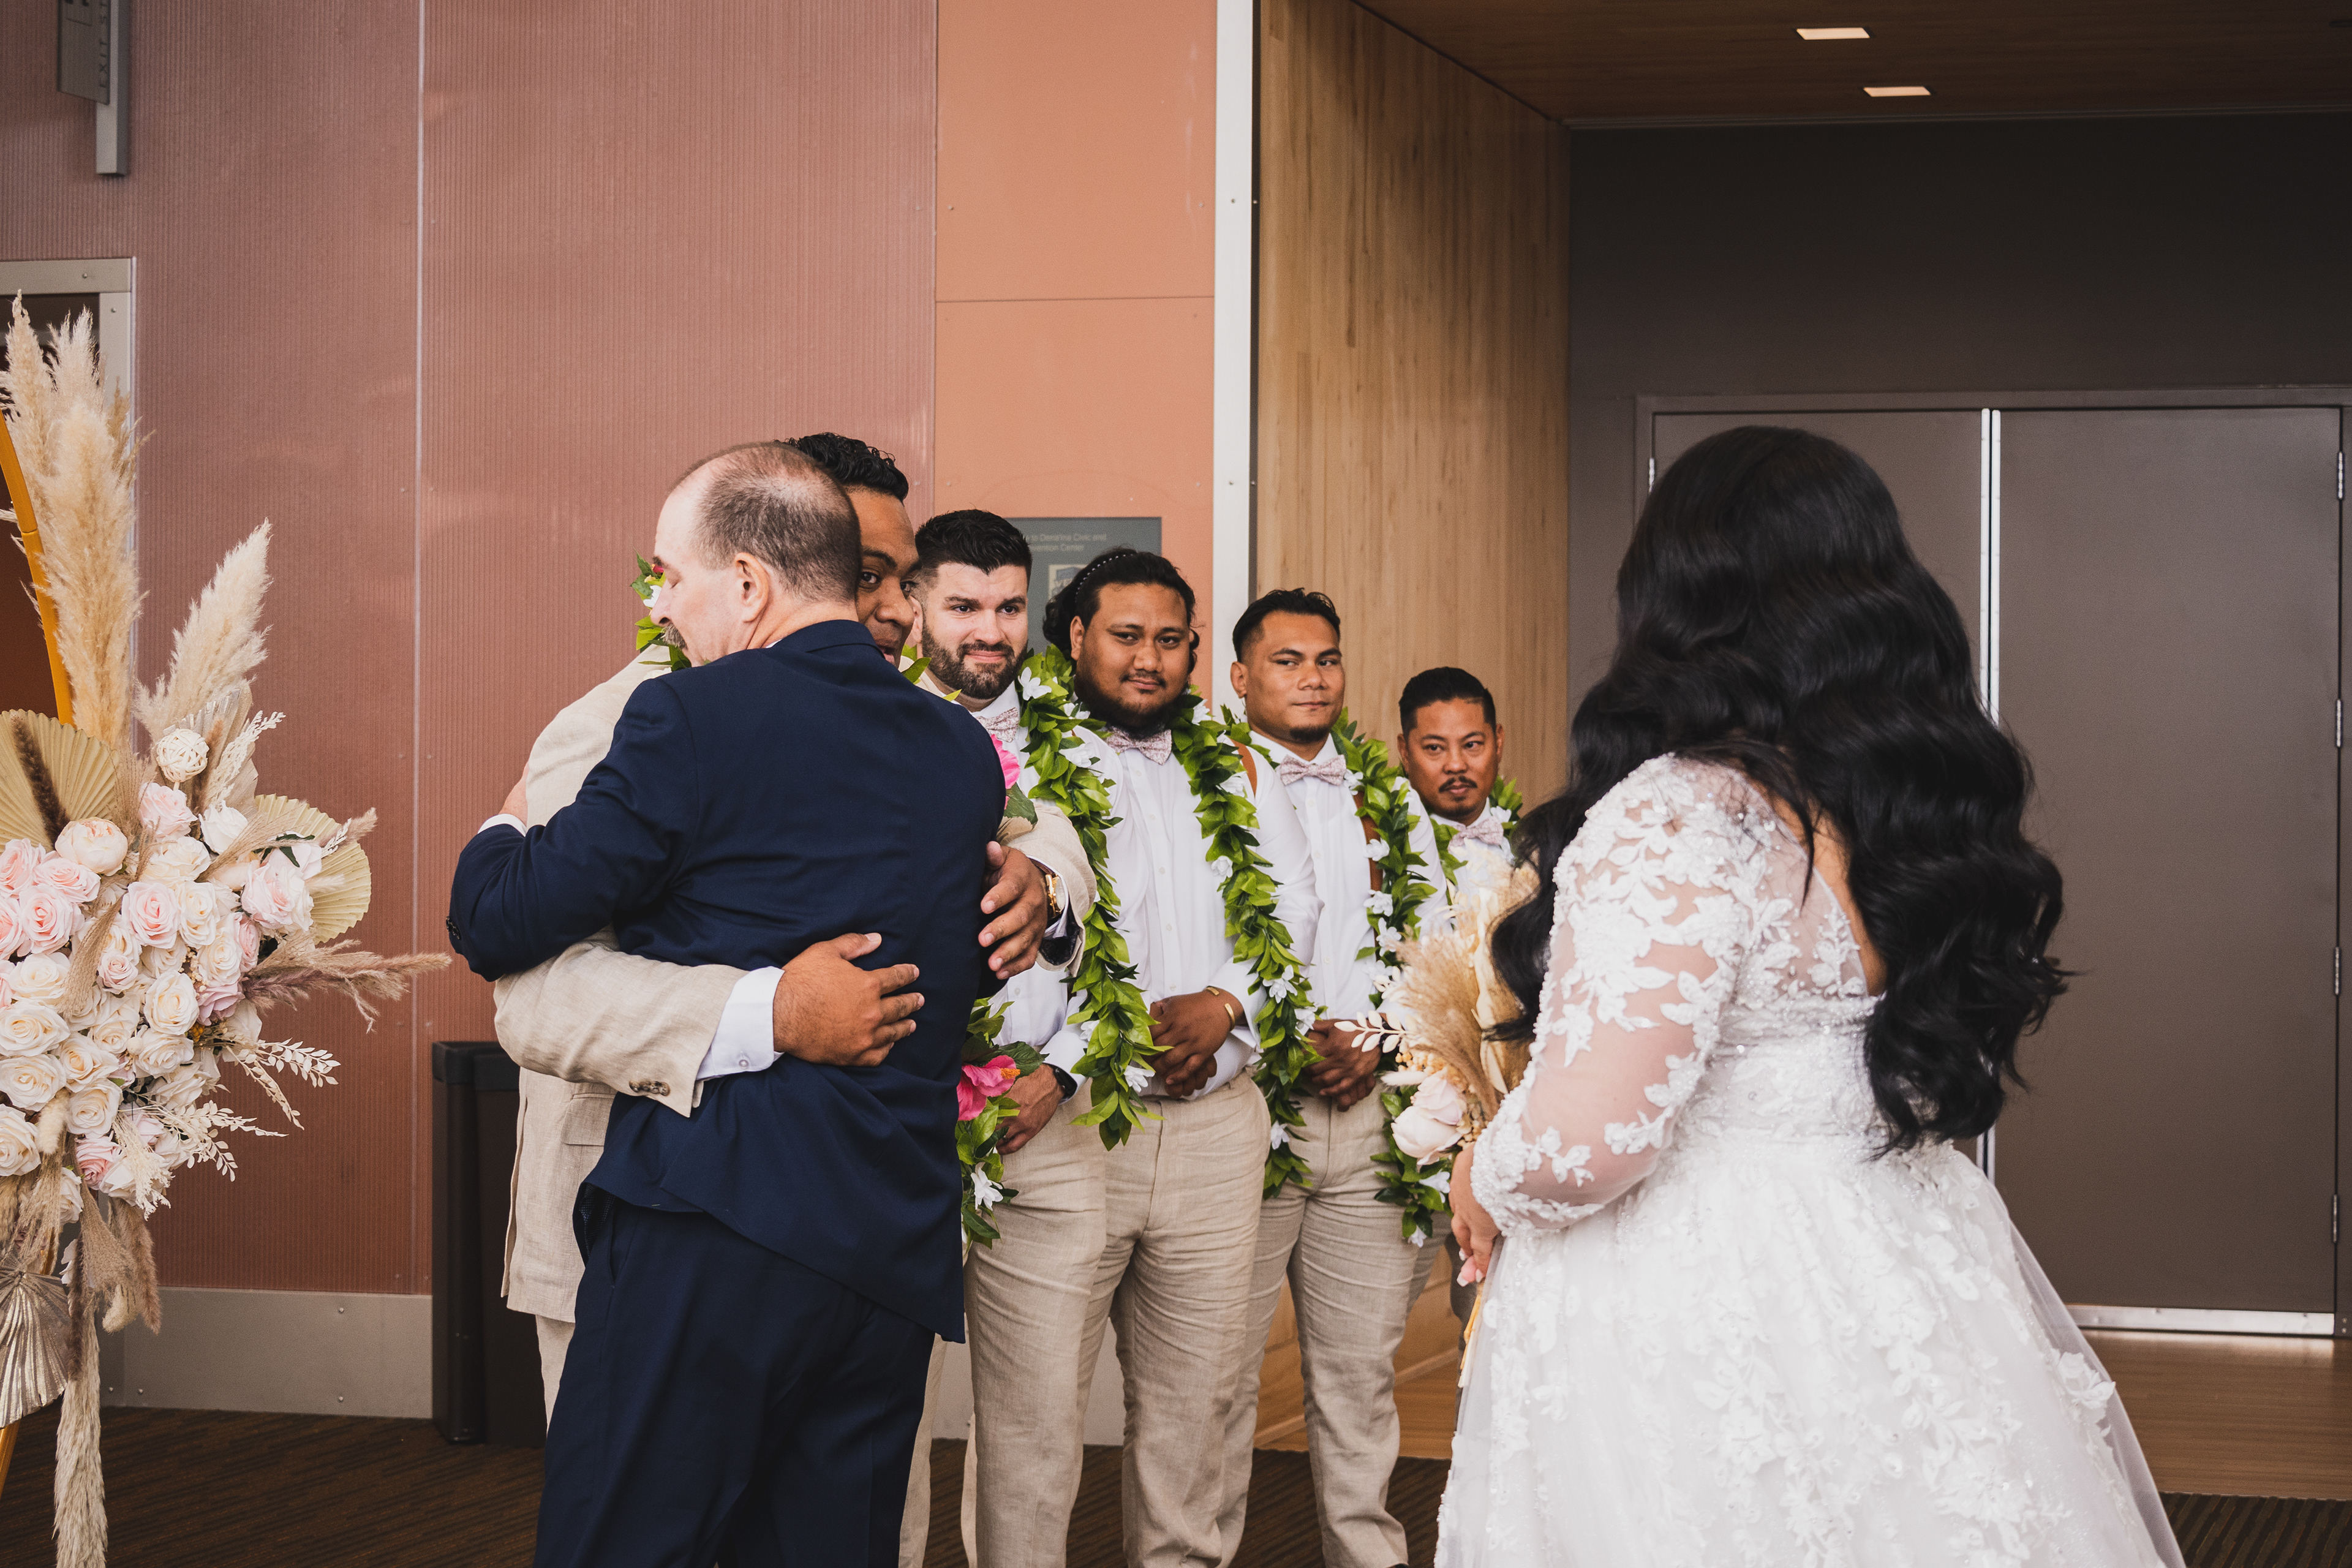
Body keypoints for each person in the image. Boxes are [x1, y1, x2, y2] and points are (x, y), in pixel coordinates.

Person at [1438, 426, 2184, 1567]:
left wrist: (1482, 1173)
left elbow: (1594, 1143)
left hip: (1696, 1287)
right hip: (1893, 1246)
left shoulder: (1678, 812)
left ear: (1681, 596)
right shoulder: (1910, 803)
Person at [486, 450, 1095, 1568]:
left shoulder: (918, 729)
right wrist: (771, 1010)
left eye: (899, 578)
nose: (890, 609)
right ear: (778, 570)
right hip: (733, 1215)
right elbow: (541, 995)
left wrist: (1047, 882)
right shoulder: (632, 716)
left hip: (796, 1232)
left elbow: (1036, 823)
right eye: (867, 575)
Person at [1041, 547, 1320, 1568]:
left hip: (1216, 1130)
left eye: (1169, 640)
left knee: (1196, 1410)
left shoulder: (1240, 765)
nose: (1148, 659)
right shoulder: (1025, 762)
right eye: (1126, 637)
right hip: (1074, 1128)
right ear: (1078, 637)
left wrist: (1229, 1006)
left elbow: (1296, 908)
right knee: (1036, 1414)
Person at [1216, 589, 1443, 1568]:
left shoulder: (1388, 796)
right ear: (1241, 678)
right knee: (1217, 1378)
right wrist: (1279, 1036)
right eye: (1288, 661)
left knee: (1359, 1380)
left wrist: (1382, 1042)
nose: (1312, 678)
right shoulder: (1207, 784)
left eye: (1327, 660)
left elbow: (1438, 947)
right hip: (1248, 1112)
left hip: (1370, 1112)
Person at [907, 509, 1112, 1567]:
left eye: (1007, 606)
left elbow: (1131, 932)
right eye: (963, 606)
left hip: (1049, 1126)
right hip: (899, 1121)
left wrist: (1060, 1073)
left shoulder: (1084, 738)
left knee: (1038, 1430)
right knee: (885, 1415)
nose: (990, 631)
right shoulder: (870, 723)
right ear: (913, 604)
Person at [1396, 666, 1512, 903]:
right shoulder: (1383, 853)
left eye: (1471, 745)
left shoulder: (1536, 850)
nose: (1456, 765)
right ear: (1405, 752)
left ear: (1498, 743)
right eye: (1434, 748)